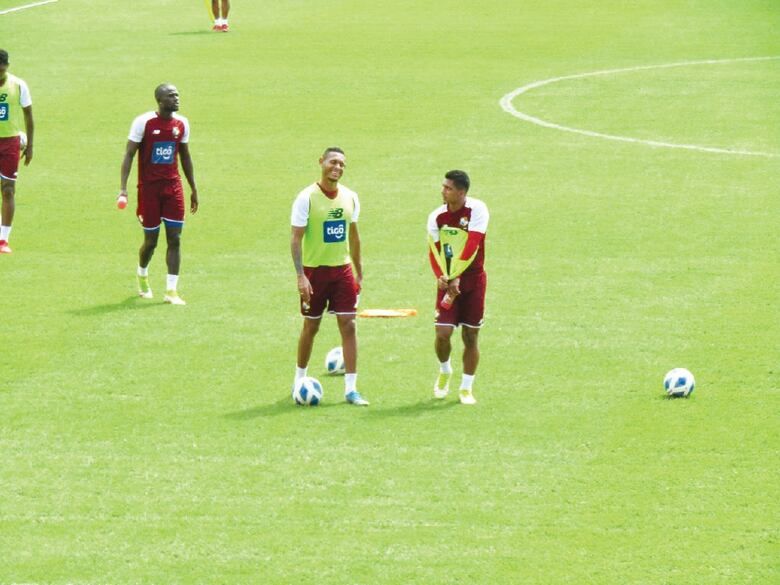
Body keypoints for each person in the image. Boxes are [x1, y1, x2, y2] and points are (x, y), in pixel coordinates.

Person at [290, 147, 369, 406]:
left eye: (342, 164)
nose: (337, 168)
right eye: (333, 162)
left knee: (349, 324)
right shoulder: (306, 198)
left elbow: (353, 235)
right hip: (315, 272)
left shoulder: (351, 197)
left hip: (342, 270)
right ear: (321, 162)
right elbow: (296, 239)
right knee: (311, 326)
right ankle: (299, 379)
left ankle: (351, 390)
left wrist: (358, 269)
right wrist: (301, 276)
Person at [118, 84, 199, 305]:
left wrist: (193, 188)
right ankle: (142, 272)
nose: (176, 98)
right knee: (151, 242)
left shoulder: (182, 124)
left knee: (175, 238)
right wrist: (123, 188)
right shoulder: (144, 123)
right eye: (171, 96)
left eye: (177, 95)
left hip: (173, 188)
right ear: (160, 100)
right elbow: (129, 155)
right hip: (149, 190)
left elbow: (185, 156)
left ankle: (171, 291)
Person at [427, 170, 489, 405]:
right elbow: (434, 251)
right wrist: (442, 276)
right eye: (443, 186)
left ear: (461, 193)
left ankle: (466, 388)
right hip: (448, 279)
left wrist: (457, 276)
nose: (442, 191)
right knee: (442, 334)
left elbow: (472, 245)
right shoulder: (436, 217)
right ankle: (445, 370)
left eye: (448, 188)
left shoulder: (477, 210)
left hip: (473, 281)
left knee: (470, 336)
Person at [0, 49, 34, 255]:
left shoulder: (18, 85)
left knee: (8, 190)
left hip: (10, 144)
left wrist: (30, 146)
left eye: (3, 71)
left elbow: (29, 115)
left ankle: (3, 239)